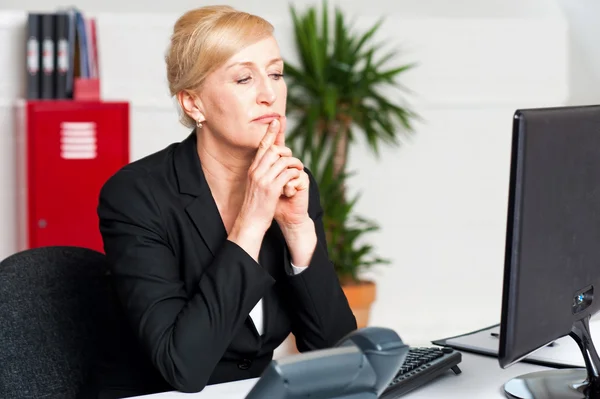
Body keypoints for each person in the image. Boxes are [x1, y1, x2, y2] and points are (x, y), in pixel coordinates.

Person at [88, 5, 357, 398]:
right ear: (193, 103)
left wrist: (299, 231)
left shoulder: (290, 181)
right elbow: (182, 368)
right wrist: (251, 222)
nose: (269, 94)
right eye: (244, 78)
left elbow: (338, 358)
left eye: (276, 73)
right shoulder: (136, 196)